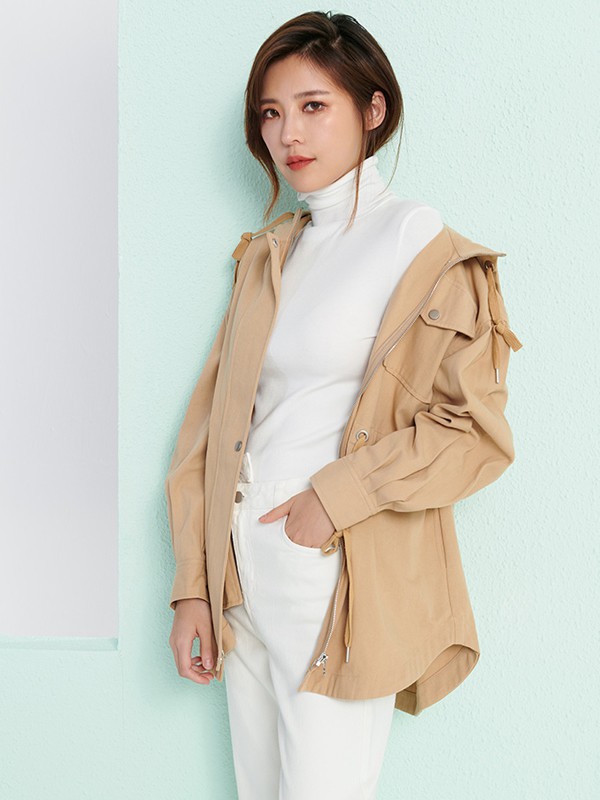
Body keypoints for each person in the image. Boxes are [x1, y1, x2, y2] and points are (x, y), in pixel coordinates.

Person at [165, 11, 523, 800]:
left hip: (332, 570)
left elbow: (474, 431)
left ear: (373, 109)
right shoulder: (273, 251)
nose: (287, 133)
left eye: (313, 106)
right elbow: (211, 427)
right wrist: (194, 584)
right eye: (270, 112)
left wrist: (331, 501)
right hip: (240, 574)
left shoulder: (418, 242)